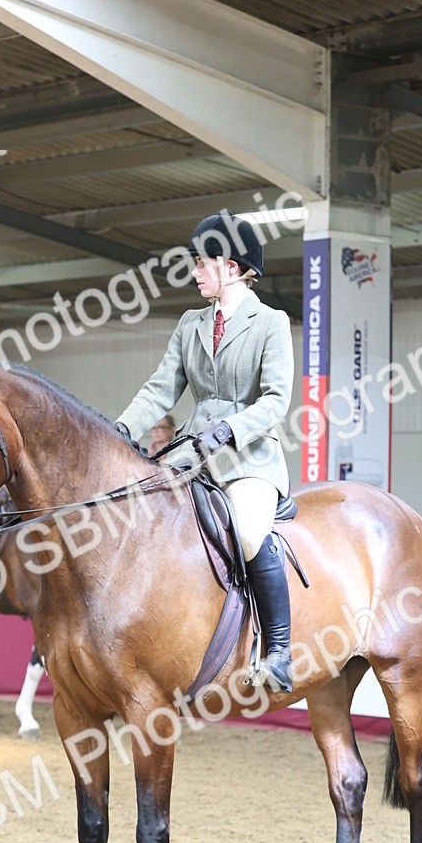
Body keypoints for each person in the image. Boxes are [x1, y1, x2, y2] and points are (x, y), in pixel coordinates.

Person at [114, 211, 294, 692]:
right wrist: (121, 429)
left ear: (232, 268)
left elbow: (276, 399)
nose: (194, 272)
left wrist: (229, 430)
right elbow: (160, 389)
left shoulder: (270, 323)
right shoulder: (191, 323)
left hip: (250, 457)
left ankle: (278, 650)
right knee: (136, 508)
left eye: (202, 263)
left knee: (251, 535)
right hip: (190, 450)